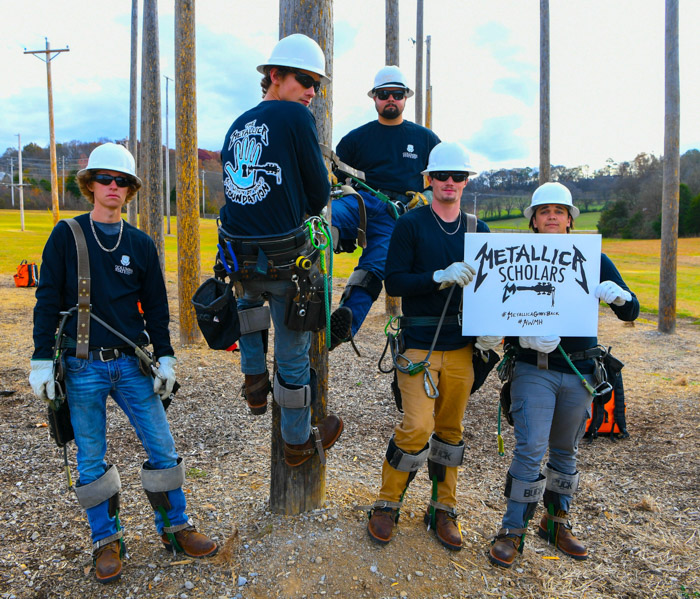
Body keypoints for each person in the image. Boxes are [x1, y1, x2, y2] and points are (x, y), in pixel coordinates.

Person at [29, 143, 217, 584]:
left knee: (162, 448)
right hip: (81, 366)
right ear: (90, 184)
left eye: (121, 181)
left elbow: (155, 307)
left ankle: (176, 528)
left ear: (130, 189)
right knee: (90, 458)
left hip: (131, 364)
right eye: (105, 179)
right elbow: (46, 299)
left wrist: (166, 355)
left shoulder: (141, 244)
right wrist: (40, 358)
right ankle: (106, 540)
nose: (113, 187)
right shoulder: (66, 235)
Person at [488, 182, 639, 568]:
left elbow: (631, 311)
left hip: (580, 371)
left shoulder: (593, 258)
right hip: (533, 367)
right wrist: (512, 330)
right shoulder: (512, 257)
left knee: (566, 450)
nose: (552, 215)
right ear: (535, 221)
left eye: (559, 210)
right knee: (531, 448)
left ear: (570, 219)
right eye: (544, 211)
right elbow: (494, 305)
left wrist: (619, 297)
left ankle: (556, 522)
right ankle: (512, 529)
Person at [218, 34, 343, 467]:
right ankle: (296, 442)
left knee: (251, 321)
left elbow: (235, 189)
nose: (312, 92)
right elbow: (318, 193)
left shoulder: (238, 124)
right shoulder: (295, 119)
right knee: (292, 356)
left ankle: (254, 389)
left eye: (317, 86)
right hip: (286, 262)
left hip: (242, 261)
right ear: (275, 76)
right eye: (306, 80)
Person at [365, 142, 496, 551]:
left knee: (451, 431)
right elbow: (395, 281)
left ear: (466, 181)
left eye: (458, 176)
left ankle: (443, 508)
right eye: (443, 176)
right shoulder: (411, 225)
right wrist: (438, 275)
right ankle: (387, 502)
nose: (450, 183)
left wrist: (496, 328)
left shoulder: (478, 231)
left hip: (462, 348)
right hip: (419, 344)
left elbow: (494, 290)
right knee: (418, 426)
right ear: (430, 179)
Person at [328, 65, 441, 350]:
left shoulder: (425, 139)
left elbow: (443, 176)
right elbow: (333, 175)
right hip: (359, 201)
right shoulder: (356, 138)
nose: (390, 98)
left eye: (397, 94)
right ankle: (299, 300)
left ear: (405, 98)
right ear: (375, 98)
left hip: (397, 212)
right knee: (320, 221)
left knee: (376, 264)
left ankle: (343, 324)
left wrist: (425, 197)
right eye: (384, 94)